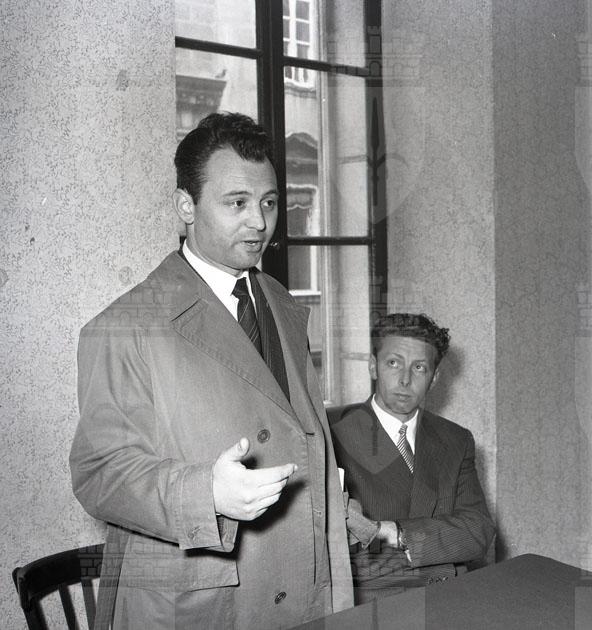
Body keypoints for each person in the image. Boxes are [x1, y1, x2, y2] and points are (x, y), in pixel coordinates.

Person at [70, 112, 352, 629]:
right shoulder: (124, 326)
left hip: (299, 592)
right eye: (237, 203)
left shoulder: (281, 304)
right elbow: (100, 474)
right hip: (199, 607)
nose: (259, 222)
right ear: (186, 207)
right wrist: (207, 494)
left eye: (269, 203)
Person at [329, 313, 495, 604]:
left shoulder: (456, 439)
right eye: (394, 363)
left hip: (449, 597)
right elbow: (338, 555)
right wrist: (442, 545)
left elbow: (478, 532)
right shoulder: (333, 436)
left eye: (419, 367)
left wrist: (395, 533)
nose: (405, 380)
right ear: (373, 366)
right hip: (371, 606)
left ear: (435, 377)